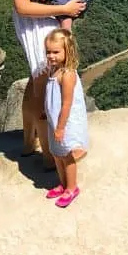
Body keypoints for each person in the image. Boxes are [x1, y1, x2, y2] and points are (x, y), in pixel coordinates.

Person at [4, 0, 86, 162]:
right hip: (35, 21)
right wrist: (64, 10)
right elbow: (22, 6)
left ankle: (30, 142)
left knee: (38, 78)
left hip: (49, 15)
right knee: (49, 86)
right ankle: (51, 156)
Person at [43, 28, 88, 207]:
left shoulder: (67, 75)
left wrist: (61, 128)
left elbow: (67, 104)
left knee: (67, 156)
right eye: (48, 52)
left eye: (56, 52)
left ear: (67, 51)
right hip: (54, 121)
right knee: (56, 154)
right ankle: (62, 185)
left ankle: (71, 187)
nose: (51, 56)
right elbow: (52, 97)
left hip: (65, 123)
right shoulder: (53, 70)